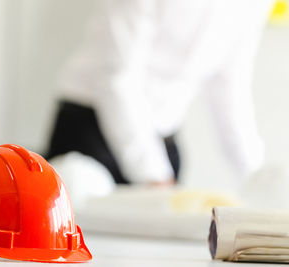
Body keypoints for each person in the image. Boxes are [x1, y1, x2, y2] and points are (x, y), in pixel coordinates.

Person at [46, 0, 274, 185]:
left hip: (163, 139)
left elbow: (229, 84)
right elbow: (117, 77)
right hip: (90, 129)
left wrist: (257, 177)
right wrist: (153, 175)